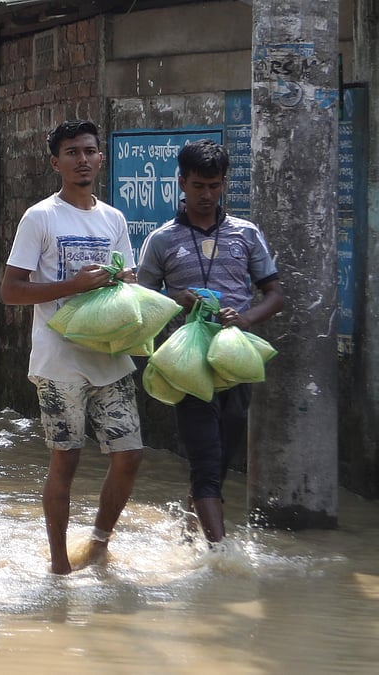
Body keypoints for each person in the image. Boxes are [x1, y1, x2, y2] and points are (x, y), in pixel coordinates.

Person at [0, 120, 144, 575]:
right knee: (68, 456)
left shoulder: (114, 219)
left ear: (101, 158)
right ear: (55, 162)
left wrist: (125, 284)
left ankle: (99, 544)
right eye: (71, 152)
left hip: (109, 357)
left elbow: (127, 278)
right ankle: (60, 566)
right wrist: (71, 284)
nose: (82, 159)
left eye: (89, 151)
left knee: (130, 454)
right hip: (58, 360)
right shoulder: (40, 217)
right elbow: (10, 290)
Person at [136, 139, 283, 544]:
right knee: (205, 460)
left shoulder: (246, 234)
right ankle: (220, 556)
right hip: (188, 367)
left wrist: (247, 318)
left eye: (215, 186)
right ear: (181, 183)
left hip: (236, 361)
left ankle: (188, 530)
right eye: (198, 186)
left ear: (224, 185)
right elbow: (142, 299)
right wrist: (176, 300)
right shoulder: (161, 240)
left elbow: (274, 293)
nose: (206, 195)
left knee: (220, 460)